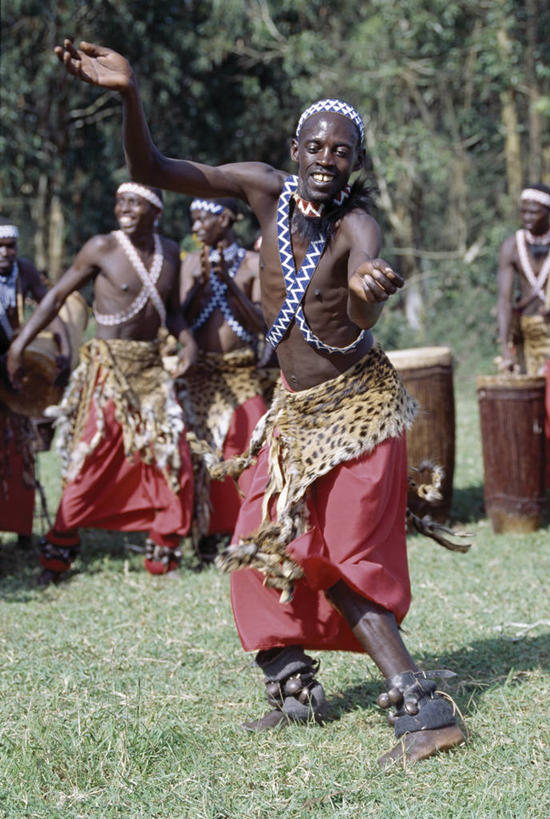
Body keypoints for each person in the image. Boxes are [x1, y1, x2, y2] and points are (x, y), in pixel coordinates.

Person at [53, 39, 466, 765]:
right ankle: (294, 686)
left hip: (357, 414)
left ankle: (424, 710)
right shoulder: (262, 190)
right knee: (254, 547)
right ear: (294, 148)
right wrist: (129, 94)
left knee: (330, 559)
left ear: (354, 164)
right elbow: (152, 170)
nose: (326, 157)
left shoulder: (352, 224)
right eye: (316, 145)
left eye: (342, 151)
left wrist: (368, 285)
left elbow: (364, 289)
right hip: (294, 414)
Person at [6, 183, 197, 584]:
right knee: (89, 460)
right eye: (120, 201)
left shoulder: (169, 252)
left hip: (151, 373)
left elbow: (174, 313)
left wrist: (189, 342)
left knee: (173, 457)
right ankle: (58, 553)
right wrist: (19, 346)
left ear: (155, 210)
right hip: (107, 372)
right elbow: (56, 295)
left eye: (134, 202)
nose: (123, 208)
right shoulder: (102, 247)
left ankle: (163, 552)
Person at [178, 197, 269, 562]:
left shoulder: (250, 263)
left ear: (227, 219)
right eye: (193, 219)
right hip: (199, 374)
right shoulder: (190, 266)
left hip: (240, 373)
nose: (196, 225)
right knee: (198, 451)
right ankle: (202, 534)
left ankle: (250, 528)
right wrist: (201, 284)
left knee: (249, 446)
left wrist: (228, 284)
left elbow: (262, 322)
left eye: (204, 218)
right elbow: (178, 318)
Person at [497, 184, 550, 514]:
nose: (528, 217)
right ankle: (530, 483)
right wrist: (505, 346)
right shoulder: (511, 247)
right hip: (524, 338)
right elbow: (504, 302)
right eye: (524, 211)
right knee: (526, 415)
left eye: (535, 211)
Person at [0, 218, 71, 547]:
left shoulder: (24, 272)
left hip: (15, 371)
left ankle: (22, 529)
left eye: (10, 246)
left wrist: (65, 348)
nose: (5, 252)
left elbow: (50, 307)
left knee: (19, 449)